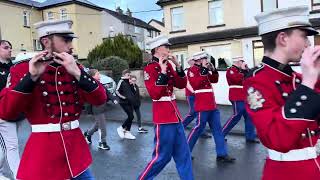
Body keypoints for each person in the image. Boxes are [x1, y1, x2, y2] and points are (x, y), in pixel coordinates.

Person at [0, 20, 107, 179]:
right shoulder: (23, 68)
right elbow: (6, 111)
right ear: (46, 41)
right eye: (66, 40)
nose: (71, 46)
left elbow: (100, 99)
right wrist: (31, 77)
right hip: (45, 152)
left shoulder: (74, 66)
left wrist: (78, 74)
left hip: (76, 151)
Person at [244, 6, 320, 179]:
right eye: (303, 36)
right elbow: (277, 139)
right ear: (283, 39)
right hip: (287, 173)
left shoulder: (298, 78)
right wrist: (308, 83)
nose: (308, 43)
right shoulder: (257, 81)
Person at [138, 35, 193, 180]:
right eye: (166, 47)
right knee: (161, 157)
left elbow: (180, 84)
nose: (169, 49)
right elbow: (155, 94)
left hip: (175, 116)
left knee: (183, 153)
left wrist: (179, 67)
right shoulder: (150, 68)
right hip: (163, 118)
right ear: (157, 49)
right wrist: (162, 72)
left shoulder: (168, 65)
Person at [186, 51, 235, 163]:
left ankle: (222, 154)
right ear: (198, 60)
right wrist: (204, 69)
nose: (206, 61)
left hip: (211, 104)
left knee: (217, 130)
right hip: (202, 104)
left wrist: (213, 70)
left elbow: (215, 80)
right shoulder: (192, 70)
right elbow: (196, 84)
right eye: (204, 59)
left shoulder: (205, 70)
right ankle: (185, 152)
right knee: (197, 129)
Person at [222, 54, 259, 143]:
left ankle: (250, 137)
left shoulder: (242, 70)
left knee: (249, 116)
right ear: (237, 62)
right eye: (242, 61)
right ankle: (221, 134)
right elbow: (236, 79)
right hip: (235, 96)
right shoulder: (231, 70)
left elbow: (251, 77)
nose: (243, 63)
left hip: (244, 96)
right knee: (236, 116)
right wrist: (243, 70)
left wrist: (248, 69)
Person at [0, 40, 20, 179]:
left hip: (12, 113)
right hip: (2, 114)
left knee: (6, 146)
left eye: (10, 48)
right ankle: (20, 176)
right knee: (11, 146)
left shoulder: (13, 68)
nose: (9, 50)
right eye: (6, 47)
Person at [182, 57, 211, 138]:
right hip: (191, 94)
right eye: (192, 61)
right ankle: (181, 127)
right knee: (193, 112)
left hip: (199, 94)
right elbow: (188, 84)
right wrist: (193, 92)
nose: (193, 62)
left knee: (200, 112)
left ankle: (201, 131)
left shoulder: (198, 69)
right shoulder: (189, 71)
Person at [84, 69, 112, 150]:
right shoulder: (90, 86)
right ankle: (102, 143)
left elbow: (106, 92)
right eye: (98, 74)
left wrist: (113, 98)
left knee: (97, 125)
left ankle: (88, 134)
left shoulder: (99, 83)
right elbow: (87, 99)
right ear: (92, 76)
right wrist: (89, 110)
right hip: (97, 109)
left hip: (102, 108)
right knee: (102, 126)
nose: (99, 76)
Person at [116, 69, 136, 140]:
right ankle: (121, 128)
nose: (129, 77)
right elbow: (117, 91)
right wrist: (123, 97)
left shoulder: (129, 82)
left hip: (130, 102)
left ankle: (127, 132)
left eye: (130, 75)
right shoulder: (121, 81)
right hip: (123, 102)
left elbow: (134, 92)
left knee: (131, 117)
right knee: (131, 116)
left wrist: (132, 85)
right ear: (124, 75)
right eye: (128, 75)